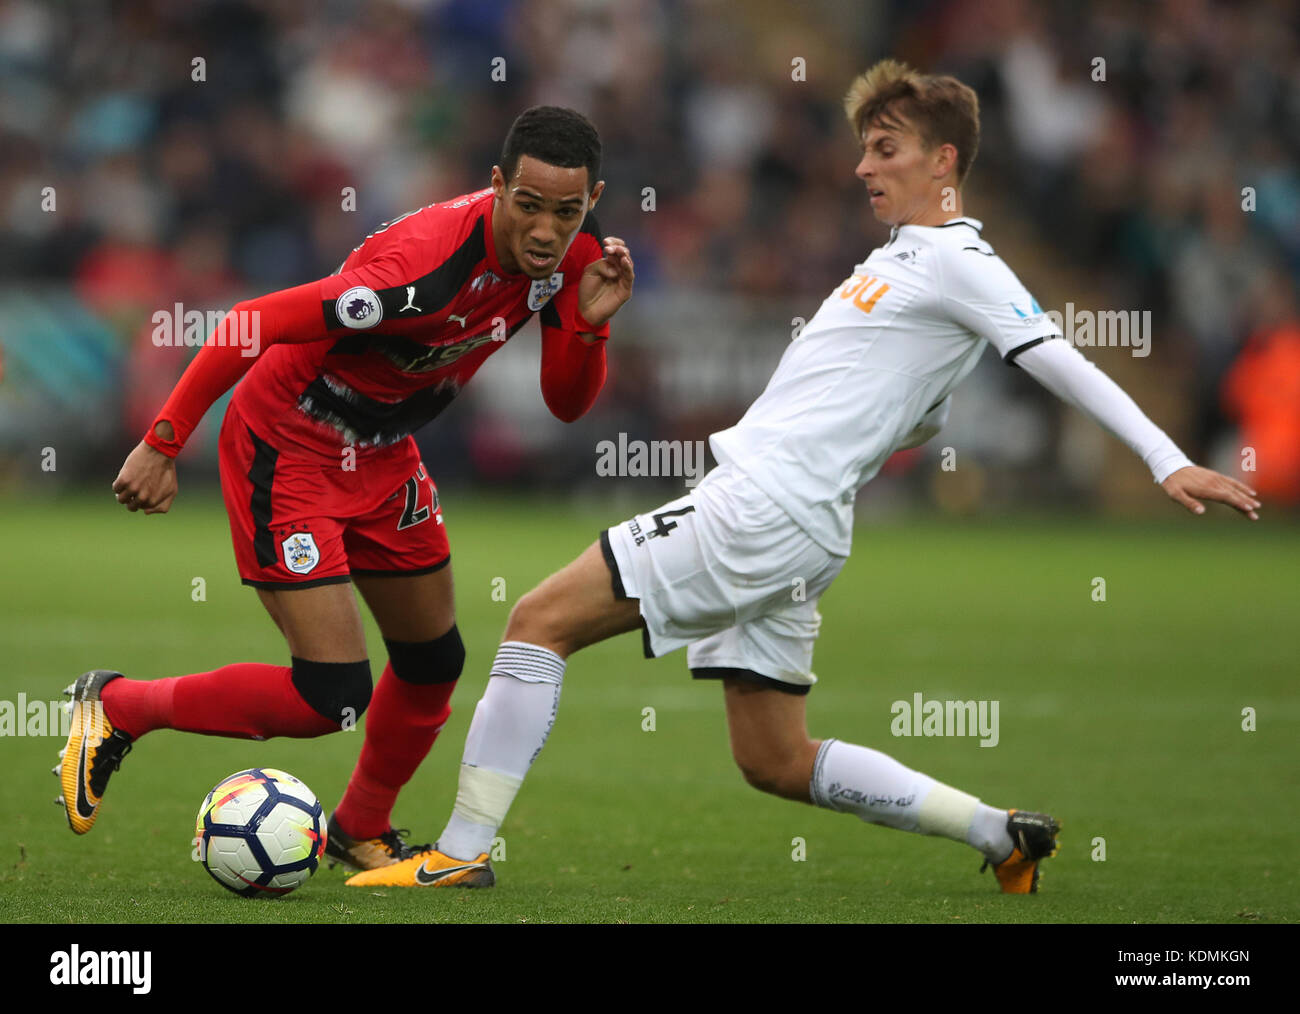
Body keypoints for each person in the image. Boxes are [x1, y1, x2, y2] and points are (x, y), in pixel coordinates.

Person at [346, 62, 1260, 895]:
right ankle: (1000, 833)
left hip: (762, 510)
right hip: (802, 527)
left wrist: (1165, 458)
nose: (866, 167)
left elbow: (1057, 354)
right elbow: (913, 408)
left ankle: (459, 853)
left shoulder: (959, 257)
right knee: (775, 760)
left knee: (537, 623)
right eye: (865, 147)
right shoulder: (905, 262)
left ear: (944, 160)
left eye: (887, 148)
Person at [55, 106, 636, 876]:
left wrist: (591, 327)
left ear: (591, 202)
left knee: (433, 662)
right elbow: (250, 320)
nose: (544, 229)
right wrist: (164, 442)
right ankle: (120, 705)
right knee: (329, 695)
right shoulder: (422, 275)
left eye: (566, 212)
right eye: (528, 205)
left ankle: (359, 827)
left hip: (385, 450)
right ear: (497, 186)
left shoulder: (578, 259)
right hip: (288, 443)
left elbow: (566, 401)